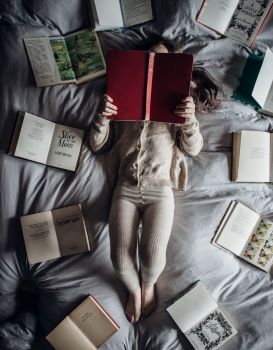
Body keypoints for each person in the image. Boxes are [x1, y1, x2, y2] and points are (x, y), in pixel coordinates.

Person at [89, 42, 222, 324]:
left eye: (161, 60)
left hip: (160, 189)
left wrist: (189, 120)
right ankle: (135, 290)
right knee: (119, 258)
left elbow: (193, 148)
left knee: (151, 256)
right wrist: (102, 116)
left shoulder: (179, 99)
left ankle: (148, 285)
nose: (154, 62)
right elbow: (97, 145)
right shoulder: (121, 95)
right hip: (124, 188)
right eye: (149, 57)